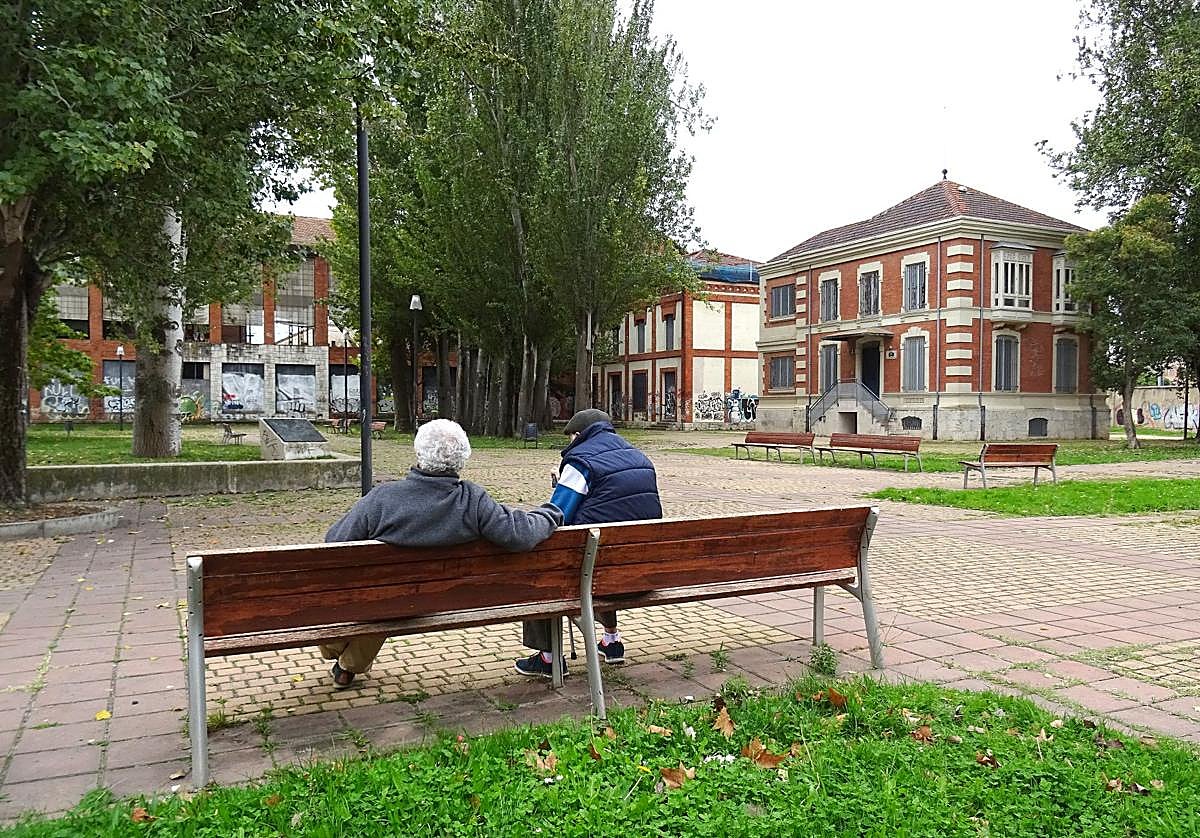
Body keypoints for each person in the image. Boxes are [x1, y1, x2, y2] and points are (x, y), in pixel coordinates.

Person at [321, 419, 563, 689]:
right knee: (393, 600)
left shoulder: (383, 498)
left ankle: (339, 655)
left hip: (387, 597)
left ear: (418, 452)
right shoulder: (472, 500)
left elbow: (335, 541)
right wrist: (551, 511)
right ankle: (346, 665)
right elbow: (521, 534)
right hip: (441, 600)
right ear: (462, 459)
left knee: (384, 599)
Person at [515, 409, 662, 677]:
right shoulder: (640, 457)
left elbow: (558, 514)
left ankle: (548, 657)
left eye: (571, 438)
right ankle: (611, 641)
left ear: (579, 435)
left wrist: (560, 484)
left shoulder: (581, 462)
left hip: (597, 575)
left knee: (541, 562)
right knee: (608, 552)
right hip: (638, 573)